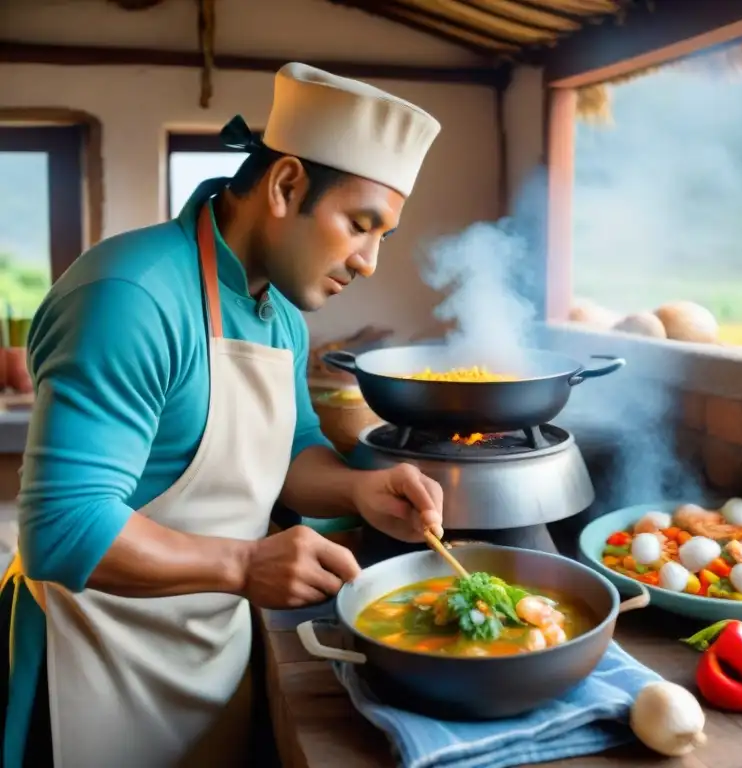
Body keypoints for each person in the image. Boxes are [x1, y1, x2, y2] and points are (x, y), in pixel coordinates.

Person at [0, 63, 444, 767]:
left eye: (382, 235)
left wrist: (359, 488)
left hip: (204, 655)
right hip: (90, 665)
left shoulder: (282, 318)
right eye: (362, 226)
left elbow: (292, 449)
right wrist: (243, 565)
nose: (369, 262)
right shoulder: (132, 295)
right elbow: (61, 528)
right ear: (286, 185)